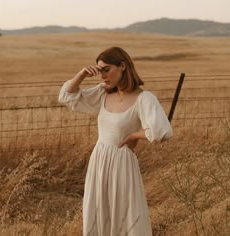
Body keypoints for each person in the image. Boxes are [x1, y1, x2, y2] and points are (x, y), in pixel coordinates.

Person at [58, 47, 173, 236]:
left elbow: (163, 131)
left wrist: (134, 136)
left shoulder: (143, 98)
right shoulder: (103, 93)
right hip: (99, 161)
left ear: (123, 66)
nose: (102, 75)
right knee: (98, 212)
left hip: (122, 163)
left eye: (106, 69)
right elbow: (67, 97)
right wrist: (82, 74)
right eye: (99, 70)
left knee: (125, 214)